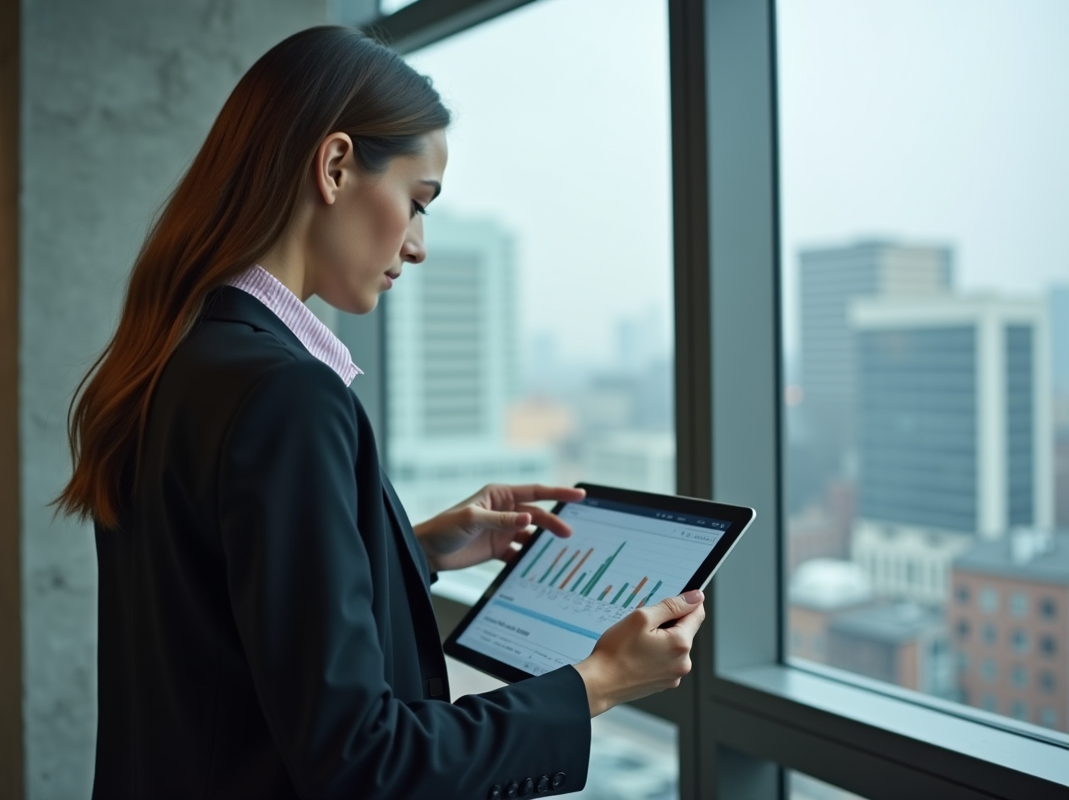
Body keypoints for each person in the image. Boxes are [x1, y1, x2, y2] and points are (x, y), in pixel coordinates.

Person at [56, 25, 705, 800]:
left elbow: (214, 604)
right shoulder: (286, 395)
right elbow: (363, 759)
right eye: (417, 201)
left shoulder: (173, 358)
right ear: (334, 166)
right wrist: (593, 684)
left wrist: (411, 545)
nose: (420, 244)